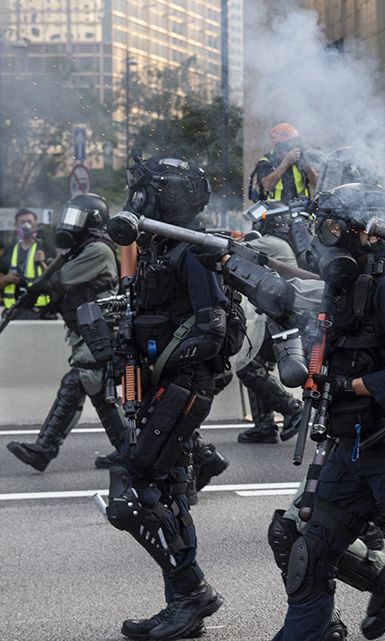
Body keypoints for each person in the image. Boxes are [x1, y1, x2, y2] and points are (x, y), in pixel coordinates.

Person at [217, 182, 385, 641]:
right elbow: (296, 300)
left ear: (369, 234)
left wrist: (347, 384)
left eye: (334, 227)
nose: (324, 237)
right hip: (349, 450)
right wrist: (238, 266)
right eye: (322, 226)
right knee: (307, 557)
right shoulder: (350, 283)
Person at [106, 154, 236, 640]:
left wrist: (162, 365)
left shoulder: (193, 249)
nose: (136, 197)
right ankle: (182, 608)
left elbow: (213, 329)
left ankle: (191, 592)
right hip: (160, 386)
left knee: (134, 488)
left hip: (180, 388)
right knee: (169, 491)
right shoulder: (156, 245)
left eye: (144, 190)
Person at [6, 194, 126, 471]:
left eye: (76, 218)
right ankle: (128, 450)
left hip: (101, 333)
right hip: (88, 334)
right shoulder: (81, 249)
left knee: (77, 382)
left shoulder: (98, 250)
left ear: (91, 221)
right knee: (99, 395)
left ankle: (45, 449)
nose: (69, 224)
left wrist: (35, 286)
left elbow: (61, 281)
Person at [234, 202, 306, 444]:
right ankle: (264, 426)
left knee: (248, 368)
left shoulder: (272, 243)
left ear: (271, 221)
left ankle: (292, 408)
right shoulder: (281, 243)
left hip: (281, 318)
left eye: (260, 220)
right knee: (256, 367)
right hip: (283, 316)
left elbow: (233, 249)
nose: (256, 224)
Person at [1, 208, 52, 318]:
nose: (26, 226)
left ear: (36, 224)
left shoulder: (45, 247)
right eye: (22, 222)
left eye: (30, 222)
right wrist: (6, 279)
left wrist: (42, 263)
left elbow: (56, 281)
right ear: (16, 226)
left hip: (40, 311)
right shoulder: (10, 249)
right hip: (13, 311)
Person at [252, 123, 319, 204]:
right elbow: (267, 186)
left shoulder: (302, 157)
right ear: (280, 147)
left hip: (302, 208)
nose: (294, 147)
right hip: (276, 211)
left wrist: (307, 166)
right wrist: (286, 162)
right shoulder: (266, 161)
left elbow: (317, 185)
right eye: (290, 144)